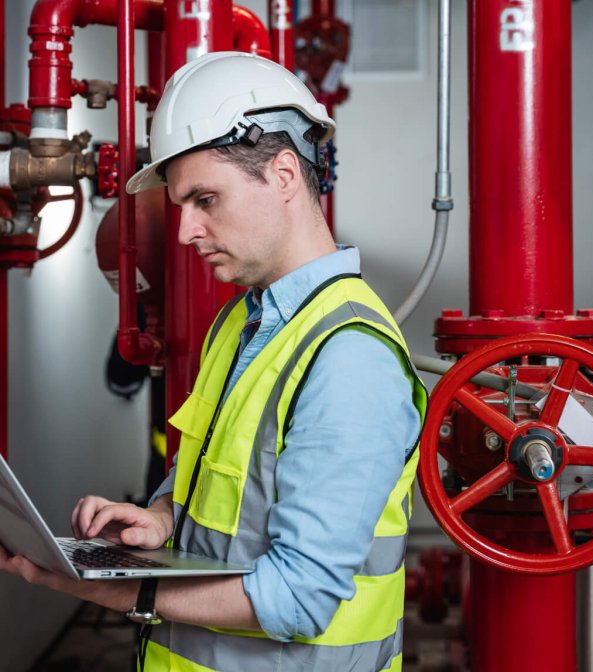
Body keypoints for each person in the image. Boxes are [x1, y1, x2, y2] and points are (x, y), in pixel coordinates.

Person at [0, 52, 427, 672]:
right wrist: (160, 519)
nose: (185, 232)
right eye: (182, 205)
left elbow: (299, 597)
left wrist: (108, 588)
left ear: (284, 175)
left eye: (206, 199)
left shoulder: (348, 358)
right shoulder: (239, 323)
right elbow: (225, 490)